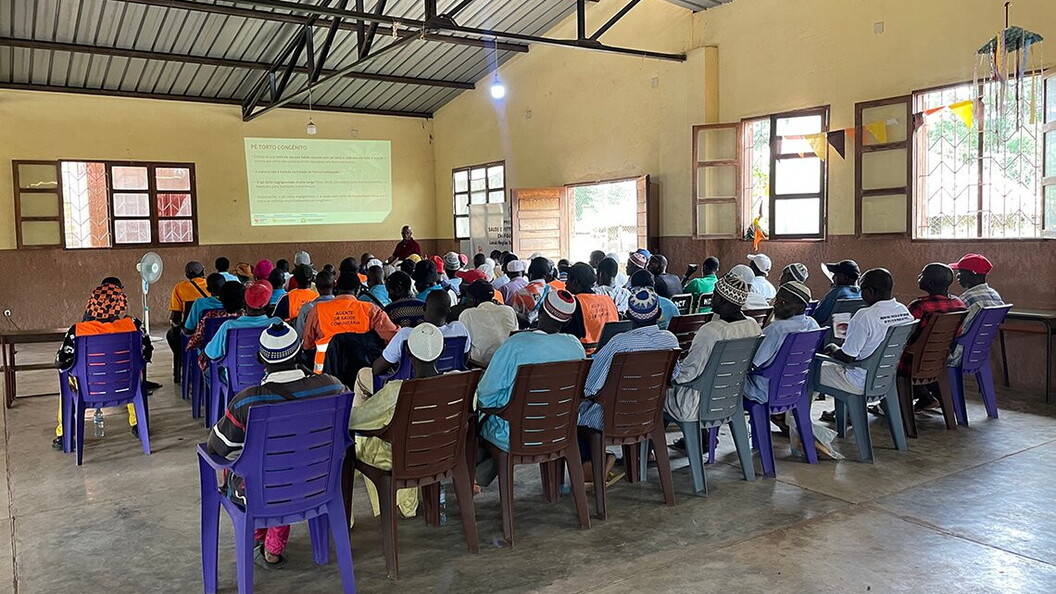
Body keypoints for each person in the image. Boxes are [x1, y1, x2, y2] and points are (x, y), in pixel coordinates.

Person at [206, 322, 347, 570]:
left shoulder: (248, 400)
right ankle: (271, 547)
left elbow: (218, 447)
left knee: (250, 466)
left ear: (261, 358)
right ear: (300, 352)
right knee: (288, 464)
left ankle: (259, 537)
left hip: (264, 491)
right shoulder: (332, 386)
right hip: (319, 481)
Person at [475, 290, 586, 487]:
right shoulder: (575, 346)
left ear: (541, 308)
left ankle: (475, 482)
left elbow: (485, 394)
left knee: (476, 424)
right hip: (561, 429)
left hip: (516, 434)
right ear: (567, 321)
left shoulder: (516, 345)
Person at [350, 324, 446, 521]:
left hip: (404, 458)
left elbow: (355, 421)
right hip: (442, 453)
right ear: (442, 351)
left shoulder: (396, 391)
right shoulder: (458, 382)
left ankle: (354, 517)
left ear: (408, 353)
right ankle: (408, 505)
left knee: (358, 446)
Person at [53, 280, 153, 449]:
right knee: (133, 372)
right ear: (121, 303)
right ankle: (137, 423)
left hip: (89, 387)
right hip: (125, 384)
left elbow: (62, 360)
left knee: (68, 382)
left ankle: (64, 434)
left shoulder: (77, 331)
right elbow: (147, 353)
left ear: (92, 304)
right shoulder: (134, 325)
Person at [578, 288, 678, 453]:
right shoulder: (669, 340)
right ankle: (640, 456)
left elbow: (590, 387)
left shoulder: (619, 343)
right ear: (659, 313)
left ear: (629, 316)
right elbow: (674, 376)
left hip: (611, 418)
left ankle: (591, 466)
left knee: (575, 419)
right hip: (651, 414)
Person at [816, 269, 913, 422]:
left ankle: (797, 425)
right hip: (886, 377)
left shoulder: (865, 316)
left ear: (869, 291)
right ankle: (845, 413)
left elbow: (847, 357)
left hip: (859, 381)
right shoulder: (904, 311)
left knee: (810, 371)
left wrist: (833, 348)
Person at [665, 273, 762, 423]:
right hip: (731, 398)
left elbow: (688, 374)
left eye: (715, 294)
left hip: (697, 403)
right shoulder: (753, 326)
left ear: (722, 299)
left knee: (657, 395)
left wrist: (670, 373)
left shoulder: (711, 331)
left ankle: (655, 444)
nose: (712, 298)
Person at [901, 263, 966, 411]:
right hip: (941, 359)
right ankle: (926, 397)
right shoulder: (959, 304)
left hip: (914, 362)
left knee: (891, 356)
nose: (918, 277)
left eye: (922, 275)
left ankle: (894, 404)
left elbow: (905, 334)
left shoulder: (920, 306)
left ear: (930, 283)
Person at [302, 273, 398, 372]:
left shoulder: (317, 310)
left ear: (336, 288)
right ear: (358, 290)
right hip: (363, 374)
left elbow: (307, 345)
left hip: (326, 373)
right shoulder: (371, 310)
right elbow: (393, 337)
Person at [743, 281, 820, 404]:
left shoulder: (777, 329)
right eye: (777, 300)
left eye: (784, 302)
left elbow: (754, 363)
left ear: (801, 307)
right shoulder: (813, 325)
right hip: (796, 386)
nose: (777, 305)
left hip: (766, 389)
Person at [371, 290, 471, 377]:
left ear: (423, 308)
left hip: (407, 387)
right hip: (447, 383)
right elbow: (464, 360)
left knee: (364, 373)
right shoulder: (460, 330)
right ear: (449, 310)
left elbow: (377, 369)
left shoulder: (406, 335)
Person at [204, 281, 281, 363]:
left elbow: (211, 354)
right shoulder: (277, 323)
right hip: (270, 374)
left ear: (244, 302)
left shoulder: (229, 326)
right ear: (268, 304)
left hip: (236, 375)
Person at [948, 253, 1003, 367]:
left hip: (960, 353)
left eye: (961, 272)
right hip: (980, 351)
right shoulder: (995, 295)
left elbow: (953, 329)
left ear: (972, 273)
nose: (958, 276)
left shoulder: (967, 299)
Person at [166, 261, 209, 383]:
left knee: (170, 335)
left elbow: (176, 315)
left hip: (191, 331)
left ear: (186, 274)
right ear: (203, 272)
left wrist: (177, 328)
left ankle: (183, 361)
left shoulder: (179, 287)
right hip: (212, 331)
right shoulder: (211, 285)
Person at [458, 280, 518, 366]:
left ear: (473, 299)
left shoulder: (468, 314)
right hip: (508, 361)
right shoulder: (508, 310)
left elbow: (464, 347)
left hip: (481, 365)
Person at [564, 262, 618, 353]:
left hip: (586, 355)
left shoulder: (574, 303)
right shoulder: (608, 300)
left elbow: (568, 335)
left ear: (575, 282)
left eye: (568, 279)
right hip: (610, 351)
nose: (565, 282)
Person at [189, 281, 244, 370]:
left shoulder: (213, 317)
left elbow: (208, 352)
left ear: (221, 299)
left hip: (228, 370)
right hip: (254, 370)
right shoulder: (246, 317)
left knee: (208, 369)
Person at [812, 259, 861, 324]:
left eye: (836, 274)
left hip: (829, 332)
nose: (833, 277)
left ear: (845, 278)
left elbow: (818, 317)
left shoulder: (837, 292)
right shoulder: (862, 294)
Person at [507, 257, 552, 325]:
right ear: (549, 276)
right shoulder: (552, 292)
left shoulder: (520, 294)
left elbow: (512, 318)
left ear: (528, 273)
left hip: (526, 332)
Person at [294, 270, 335, 337]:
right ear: (334, 284)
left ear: (316, 286)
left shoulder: (307, 309)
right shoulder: (344, 306)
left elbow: (300, 334)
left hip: (315, 345)